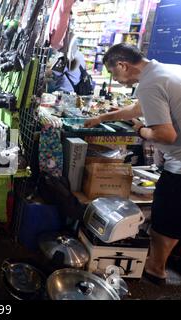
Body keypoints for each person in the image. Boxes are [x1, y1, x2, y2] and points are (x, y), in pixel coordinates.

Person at [84, 43, 181, 285]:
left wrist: (140, 129)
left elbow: (166, 135)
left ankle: (156, 270)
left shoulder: (150, 83)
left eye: (115, 75)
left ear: (123, 65)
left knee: (165, 218)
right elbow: (138, 107)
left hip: (179, 166)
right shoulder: (163, 71)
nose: (118, 81)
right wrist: (103, 117)